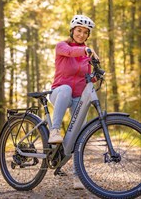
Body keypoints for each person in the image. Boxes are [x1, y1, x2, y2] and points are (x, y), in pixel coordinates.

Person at [48, 15, 99, 189]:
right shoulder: (62, 46)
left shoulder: (87, 54)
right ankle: (54, 130)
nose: (82, 34)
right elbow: (71, 52)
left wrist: (96, 76)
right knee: (66, 89)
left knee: (79, 134)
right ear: (72, 30)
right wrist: (86, 51)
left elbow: (88, 78)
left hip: (78, 95)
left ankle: (78, 176)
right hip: (59, 92)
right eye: (79, 30)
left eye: (85, 32)